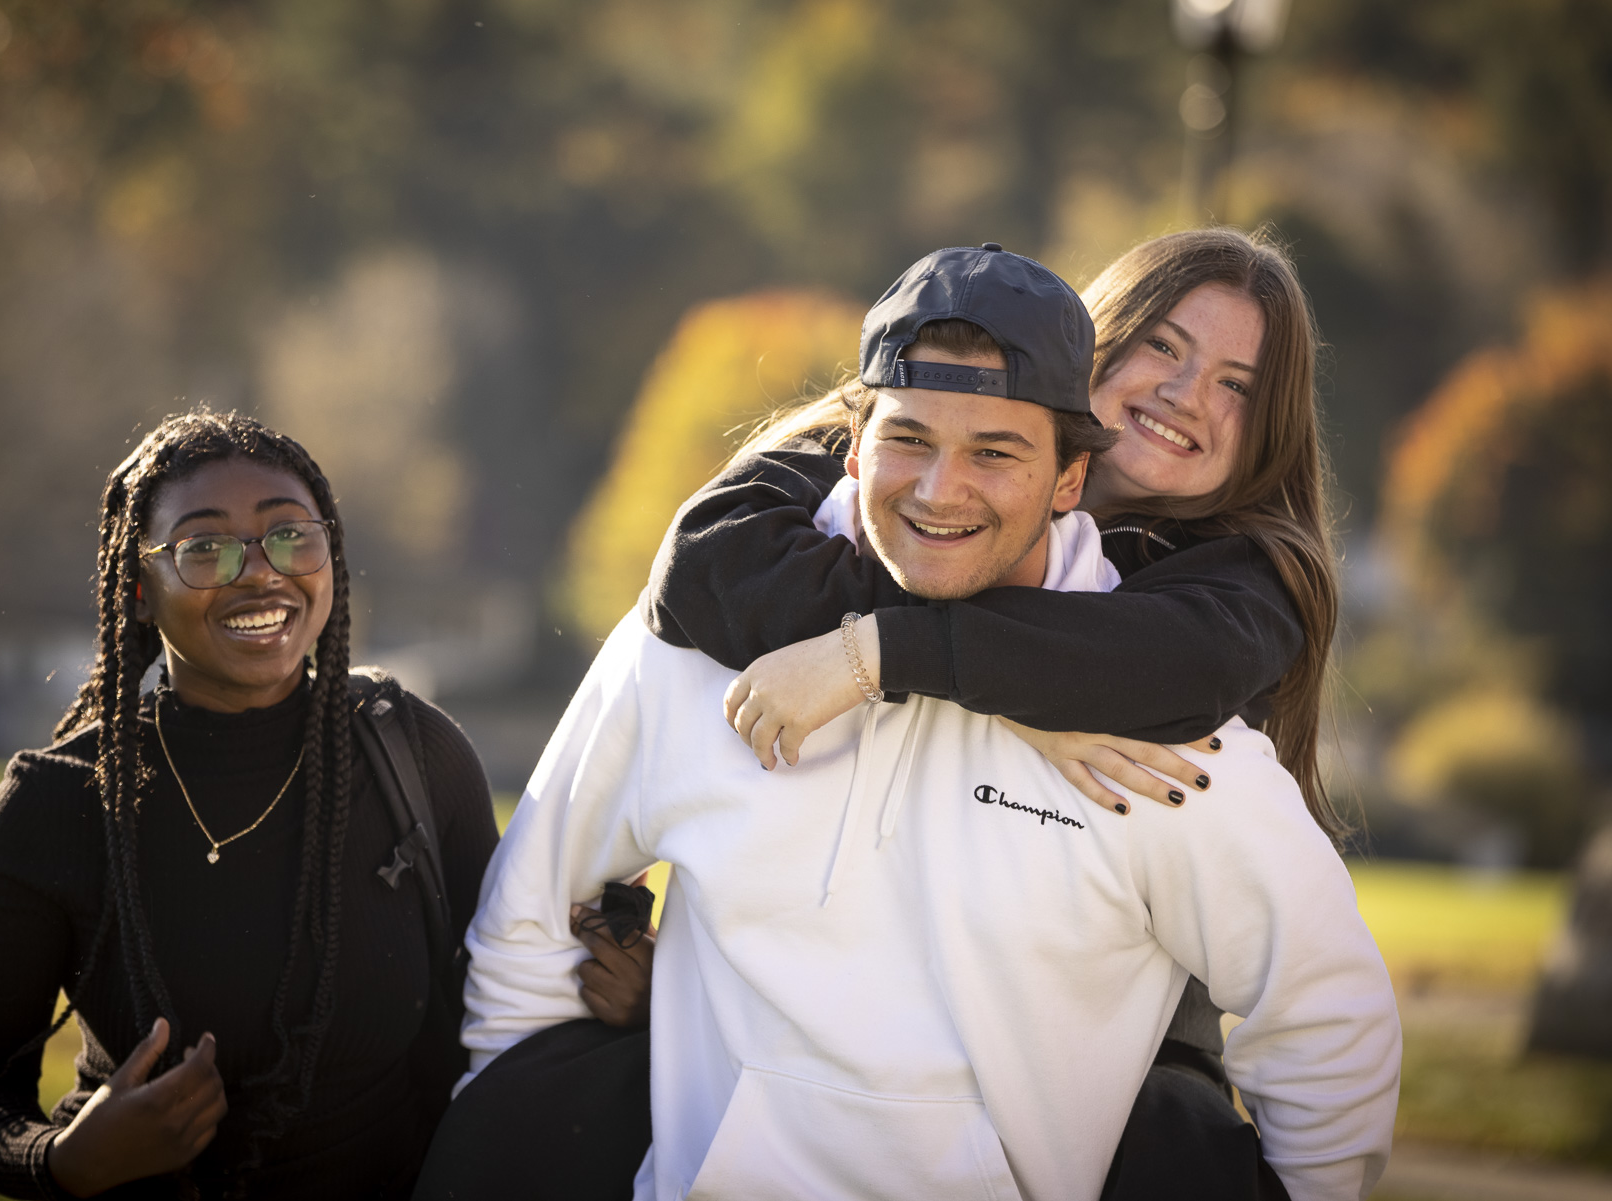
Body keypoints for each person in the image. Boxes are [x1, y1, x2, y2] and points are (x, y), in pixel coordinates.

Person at [454, 246, 1400, 1200]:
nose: (943, 487)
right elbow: (700, 566)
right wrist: (527, 1118)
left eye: (997, 450)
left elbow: (1327, 1016)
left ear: (1069, 473)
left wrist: (889, 661)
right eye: (1164, 344)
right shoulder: (725, 612)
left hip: (1118, 1088)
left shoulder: (1172, 704)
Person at [0, 411, 640, 1199]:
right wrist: (65, 1158)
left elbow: (513, 987)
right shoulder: (55, 802)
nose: (259, 572)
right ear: (138, 591)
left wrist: (636, 988)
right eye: (204, 547)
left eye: (289, 535)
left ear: (330, 560)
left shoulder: (414, 757)